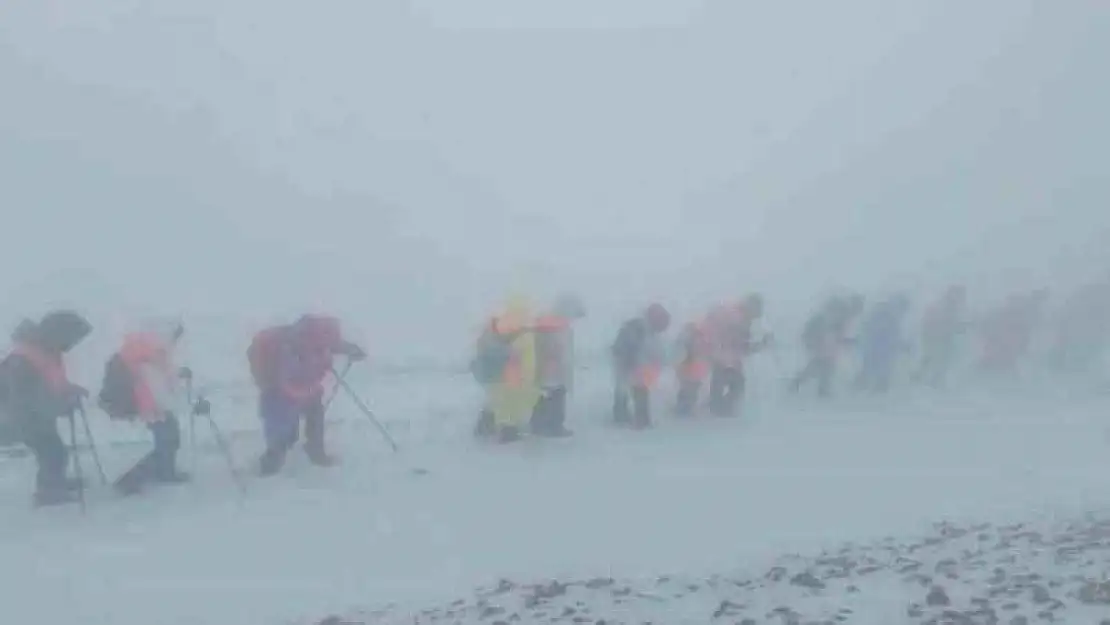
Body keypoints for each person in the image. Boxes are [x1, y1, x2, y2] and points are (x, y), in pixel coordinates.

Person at [248, 314, 366, 476]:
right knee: (282, 427)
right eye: (321, 346)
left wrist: (351, 349)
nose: (326, 349)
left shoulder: (319, 338)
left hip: (305, 384)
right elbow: (286, 383)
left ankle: (315, 451)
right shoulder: (289, 350)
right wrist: (305, 393)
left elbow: (334, 344)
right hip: (277, 389)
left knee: (315, 414)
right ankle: (270, 463)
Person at [0, 311, 92, 506]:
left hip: (36, 416)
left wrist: (69, 390)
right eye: (72, 338)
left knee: (53, 450)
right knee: (52, 452)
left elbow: (51, 384)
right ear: (58, 333)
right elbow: (27, 397)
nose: (73, 344)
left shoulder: (46, 351)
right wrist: (61, 404)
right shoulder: (24, 358)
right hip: (22, 417)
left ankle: (54, 483)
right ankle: (49, 491)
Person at [98, 319, 190, 495]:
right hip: (153, 406)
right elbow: (154, 383)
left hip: (150, 404)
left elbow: (162, 372)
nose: (176, 340)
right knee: (168, 441)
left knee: (167, 441)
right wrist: (163, 409)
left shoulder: (147, 349)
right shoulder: (151, 353)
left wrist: (179, 373)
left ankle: (163, 472)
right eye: (175, 335)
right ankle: (133, 479)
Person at [705, 294, 771, 417]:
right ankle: (718, 412)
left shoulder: (738, 318)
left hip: (721, 357)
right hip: (725, 359)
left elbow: (740, 346)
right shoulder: (738, 320)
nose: (758, 314)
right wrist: (761, 344)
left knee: (727, 386)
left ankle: (716, 409)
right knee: (735, 386)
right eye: (757, 310)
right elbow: (740, 346)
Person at [530, 293, 586, 437]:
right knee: (554, 399)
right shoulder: (553, 324)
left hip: (551, 370)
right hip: (551, 370)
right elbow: (549, 348)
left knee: (547, 398)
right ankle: (552, 427)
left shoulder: (553, 322)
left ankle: (541, 425)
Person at [789, 293, 864, 397]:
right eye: (859, 309)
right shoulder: (843, 312)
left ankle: (814, 388)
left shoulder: (843, 312)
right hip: (823, 342)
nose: (858, 313)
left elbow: (837, 333)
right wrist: (847, 341)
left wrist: (848, 341)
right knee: (820, 366)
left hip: (824, 343)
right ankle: (812, 388)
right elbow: (833, 330)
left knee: (822, 366)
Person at [611, 303, 671, 428]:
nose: (662, 330)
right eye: (662, 325)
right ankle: (630, 417)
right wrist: (632, 365)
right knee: (631, 390)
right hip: (629, 363)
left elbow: (652, 349)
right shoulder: (639, 328)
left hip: (636, 364)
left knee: (635, 390)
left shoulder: (646, 329)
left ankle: (630, 416)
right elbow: (631, 348)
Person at [854, 293, 912, 393]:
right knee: (879, 366)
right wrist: (900, 344)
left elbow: (867, 325)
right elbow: (892, 333)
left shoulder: (883, 309)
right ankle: (875, 387)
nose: (904, 312)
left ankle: (863, 385)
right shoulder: (891, 313)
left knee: (870, 365)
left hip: (874, 343)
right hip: (880, 345)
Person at [914, 286, 969, 387]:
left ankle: (930, 378)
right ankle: (926, 378)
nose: (962, 299)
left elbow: (950, 323)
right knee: (935, 358)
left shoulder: (949, 306)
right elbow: (943, 322)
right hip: (937, 337)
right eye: (959, 295)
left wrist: (959, 327)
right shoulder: (943, 306)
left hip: (941, 337)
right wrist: (957, 327)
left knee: (936, 358)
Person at [673, 317, 712, 416]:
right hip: (688, 369)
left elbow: (704, 354)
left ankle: (685, 408)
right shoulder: (688, 340)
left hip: (692, 370)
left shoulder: (698, 339)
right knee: (688, 389)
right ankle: (683, 409)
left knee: (690, 389)